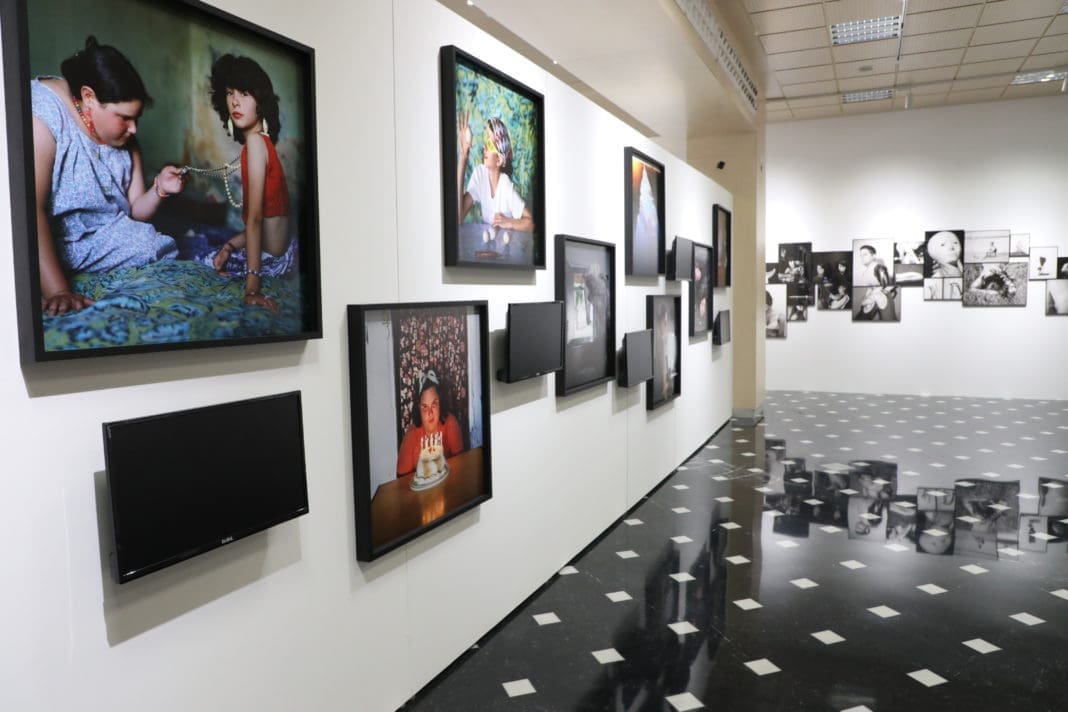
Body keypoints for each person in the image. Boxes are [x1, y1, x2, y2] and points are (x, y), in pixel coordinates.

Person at [31, 37, 184, 316]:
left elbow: (136, 211)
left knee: (156, 245)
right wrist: (58, 292)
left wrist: (160, 188)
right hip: (50, 237)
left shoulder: (126, 138)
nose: (134, 129)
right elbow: (30, 209)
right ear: (89, 97)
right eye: (124, 118)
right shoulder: (43, 117)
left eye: (137, 118)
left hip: (102, 237)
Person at [203, 54, 294, 313]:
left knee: (202, 260)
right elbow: (268, 223)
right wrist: (230, 246)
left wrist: (252, 288)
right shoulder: (262, 142)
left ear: (260, 102)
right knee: (216, 250)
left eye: (244, 93)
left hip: (271, 262)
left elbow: (255, 219)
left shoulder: (255, 143)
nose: (235, 101)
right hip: (284, 255)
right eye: (229, 93)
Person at [457, 113, 533, 234]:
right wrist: (463, 157)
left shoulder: (505, 186)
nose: (484, 146)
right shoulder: (480, 174)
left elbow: (530, 223)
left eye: (490, 143)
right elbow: (458, 216)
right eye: (485, 140)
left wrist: (509, 222)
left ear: (499, 160)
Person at [396, 370, 464, 476]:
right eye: (425, 407)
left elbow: (461, 470)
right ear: (418, 407)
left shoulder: (450, 424)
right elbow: (401, 481)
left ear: (440, 402)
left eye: (434, 404)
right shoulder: (411, 437)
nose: (430, 413)